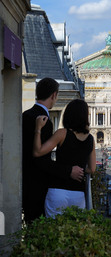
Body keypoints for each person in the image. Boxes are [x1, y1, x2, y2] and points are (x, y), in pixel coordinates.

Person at [22, 78, 84, 223]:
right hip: (38, 185)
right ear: (54, 95)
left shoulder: (25, 115)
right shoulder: (45, 121)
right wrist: (68, 171)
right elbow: (41, 160)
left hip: (25, 182)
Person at [33, 98, 96, 218]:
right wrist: (81, 170)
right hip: (78, 194)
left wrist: (38, 129)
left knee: (53, 230)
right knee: (74, 232)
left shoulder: (62, 133)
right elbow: (92, 169)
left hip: (58, 190)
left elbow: (38, 152)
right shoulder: (90, 139)